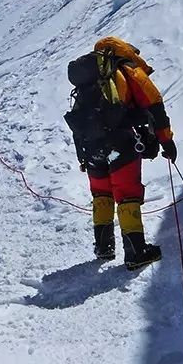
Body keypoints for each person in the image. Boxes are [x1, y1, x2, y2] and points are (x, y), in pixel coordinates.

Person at [64, 36, 176, 271]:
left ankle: (103, 247)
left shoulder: (90, 79)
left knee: (101, 193)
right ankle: (136, 252)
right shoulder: (126, 69)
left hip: (91, 146)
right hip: (120, 142)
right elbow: (154, 104)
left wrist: (82, 156)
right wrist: (166, 140)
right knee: (126, 193)